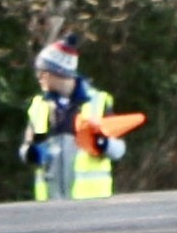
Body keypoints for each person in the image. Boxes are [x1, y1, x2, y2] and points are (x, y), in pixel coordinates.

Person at [18, 34, 118, 199]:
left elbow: (118, 150)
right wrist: (31, 153)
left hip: (91, 204)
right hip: (50, 205)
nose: (39, 78)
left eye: (43, 73)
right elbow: (26, 148)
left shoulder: (97, 102)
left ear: (59, 73)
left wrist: (103, 144)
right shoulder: (39, 105)